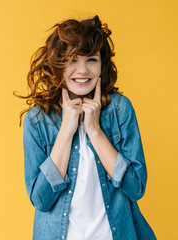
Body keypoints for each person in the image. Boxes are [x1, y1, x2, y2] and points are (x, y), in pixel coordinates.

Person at [14, 15, 157, 240]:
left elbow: (136, 187)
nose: (82, 70)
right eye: (72, 60)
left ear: (102, 65)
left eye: (91, 59)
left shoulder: (120, 110)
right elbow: (41, 200)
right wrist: (66, 130)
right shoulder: (37, 121)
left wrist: (95, 132)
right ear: (58, 65)